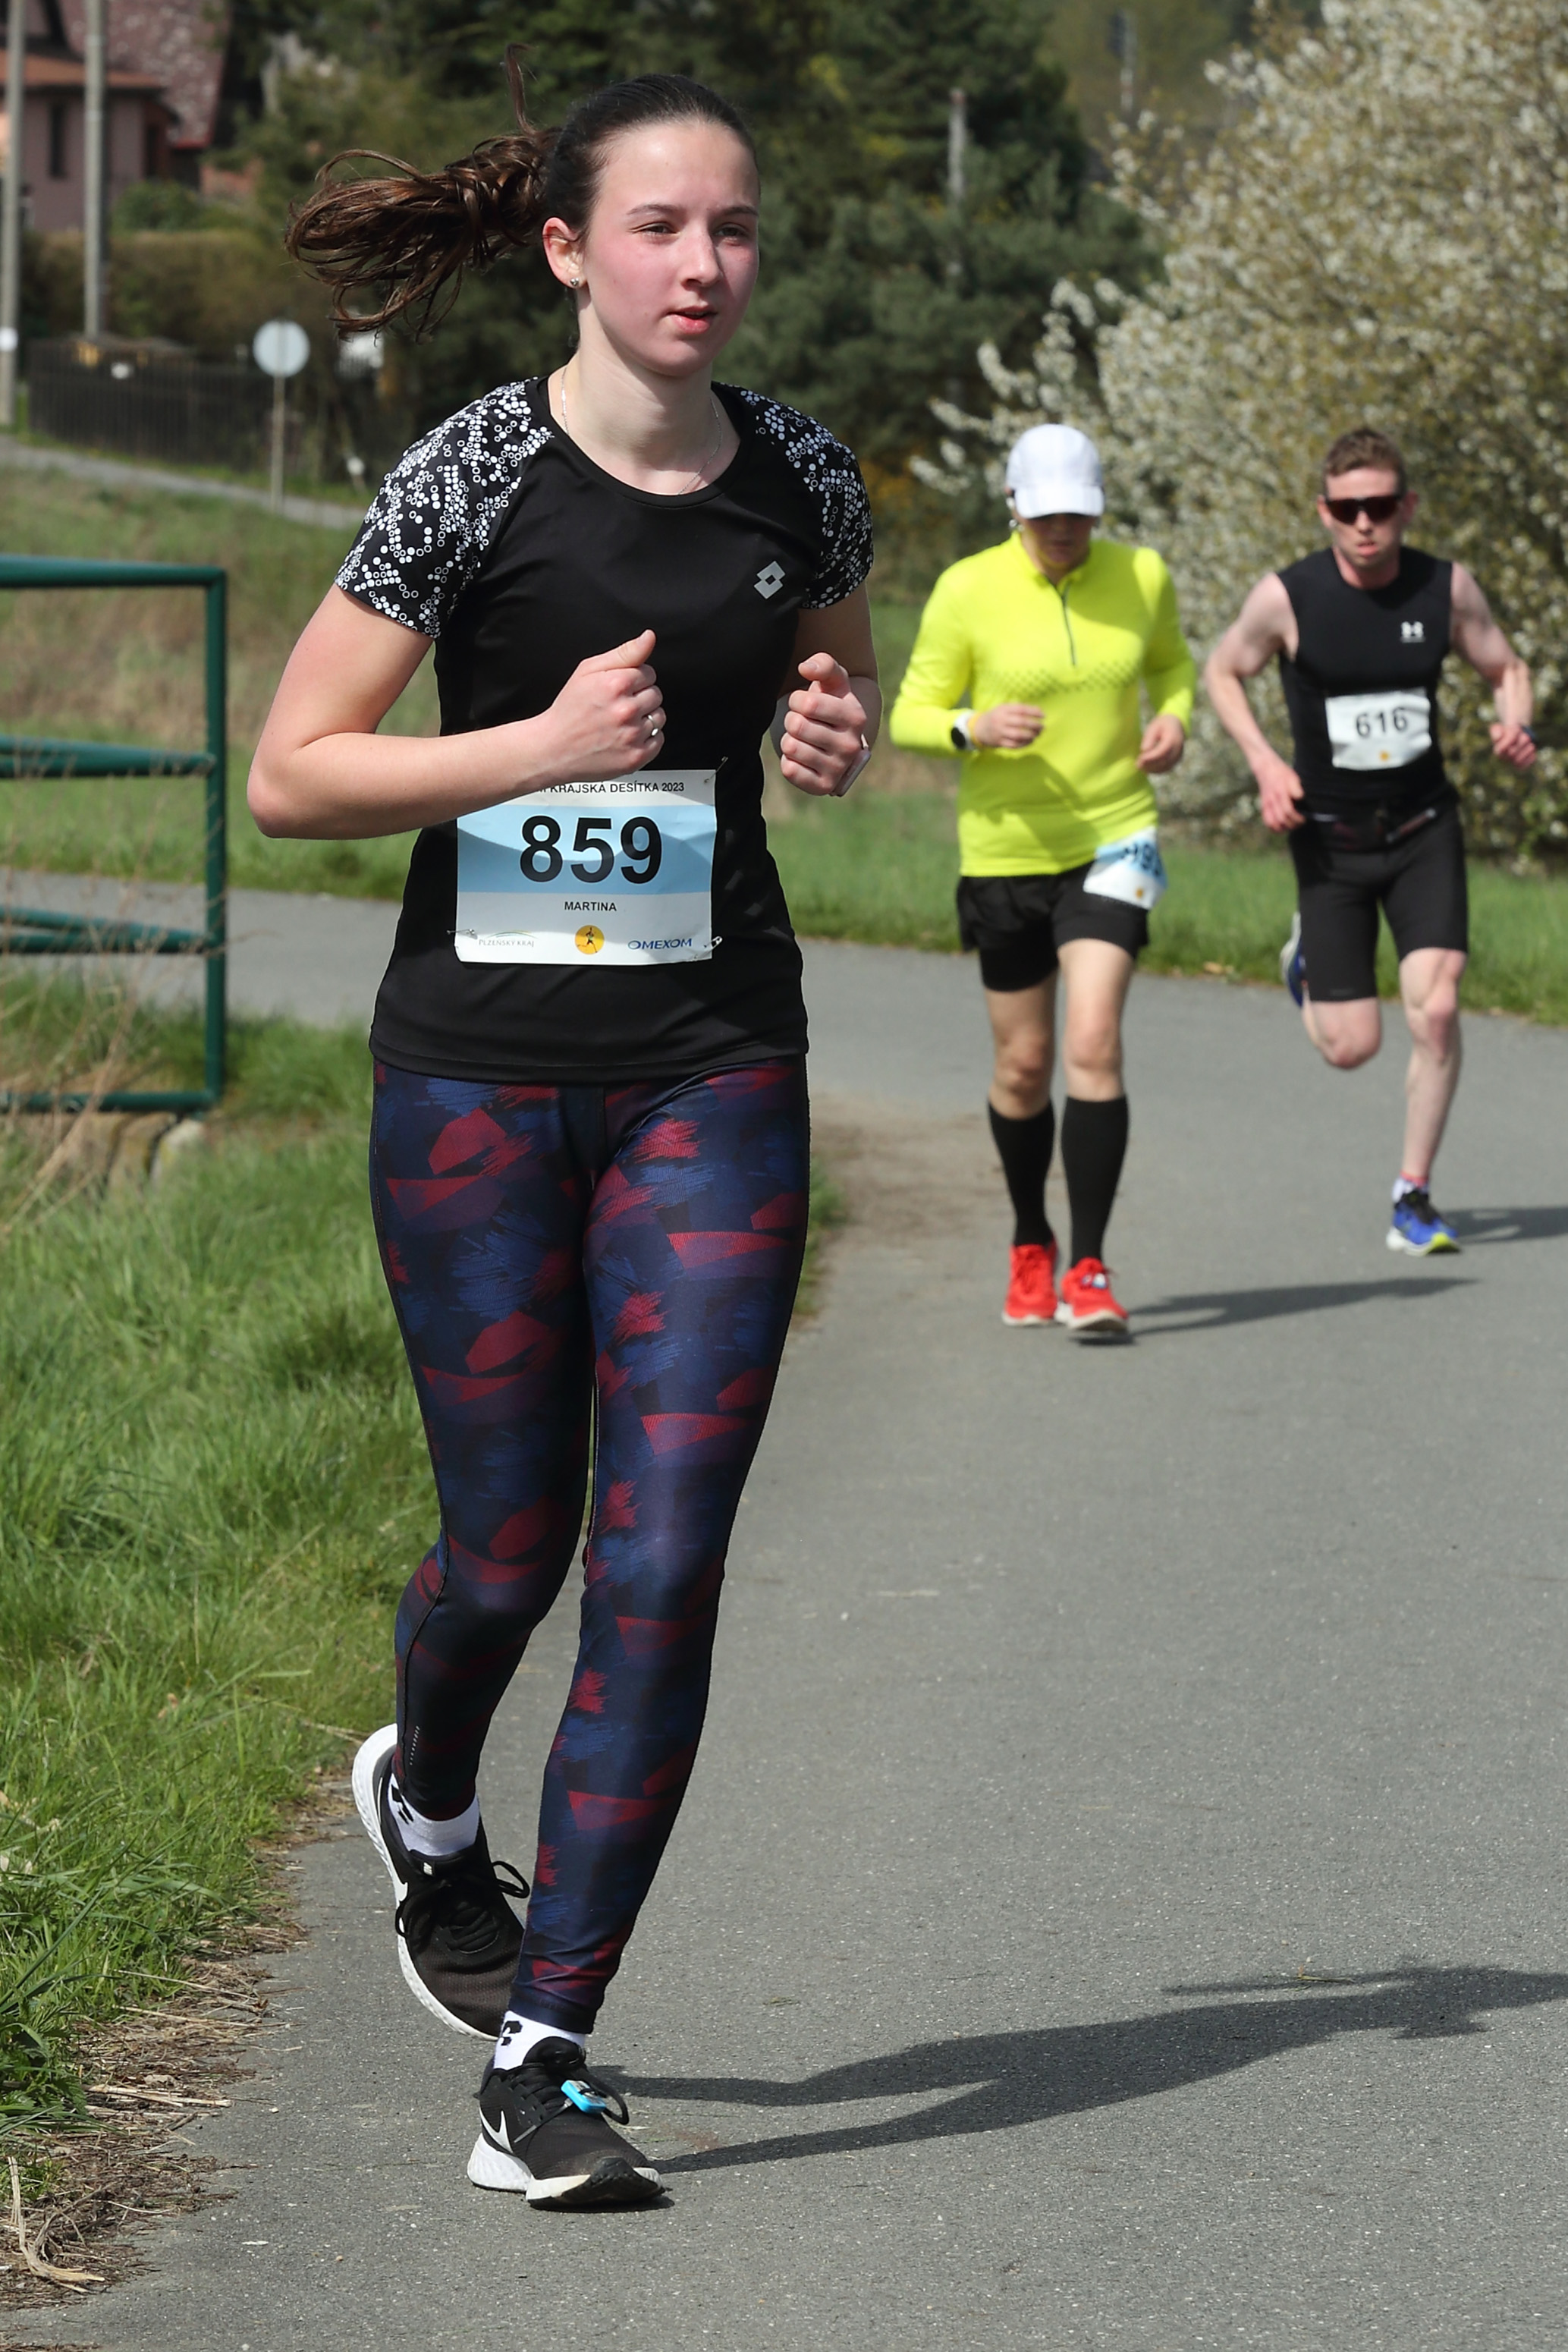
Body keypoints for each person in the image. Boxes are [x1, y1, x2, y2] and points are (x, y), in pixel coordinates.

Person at [249, 64, 878, 2209]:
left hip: (714, 1063)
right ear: (566, 250)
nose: (705, 264)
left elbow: (833, 691)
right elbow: (294, 772)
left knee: (663, 1554)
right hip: (476, 1080)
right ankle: (430, 1798)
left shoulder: (804, 472)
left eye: (734, 230)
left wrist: (830, 732)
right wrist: (529, 745)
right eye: (660, 228)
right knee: (505, 1550)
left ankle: (545, 2054)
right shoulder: (467, 473)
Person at [888, 424, 1195, 1338]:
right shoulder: (967, 589)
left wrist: (1175, 720)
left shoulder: (1142, 576)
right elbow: (910, 713)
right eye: (1049, 514)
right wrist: (972, 727)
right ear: (1014, 506)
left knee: (1093, 1042)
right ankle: (1033, 1239)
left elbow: (1172, 666)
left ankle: (1090, 1268)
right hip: (1005, 853)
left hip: (1115, 836)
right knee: (1023, 1066)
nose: (1065, 530)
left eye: (1081, 514)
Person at [1205, 426, 1536, 1254]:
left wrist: (1515, 723)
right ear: (1324, 511)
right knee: (1351, 1047)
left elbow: (1507, 668)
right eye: (1348, 508)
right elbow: (1222, 670)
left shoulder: (1444, 588)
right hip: (1330, 841)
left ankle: (1412, 1195)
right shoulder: (1287, 598)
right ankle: (1305, 965)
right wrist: (1265, 763)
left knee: (1439, 1006)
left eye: (1381, 507)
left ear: (1406, 507)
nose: (1365, 523)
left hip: (1424, 827)